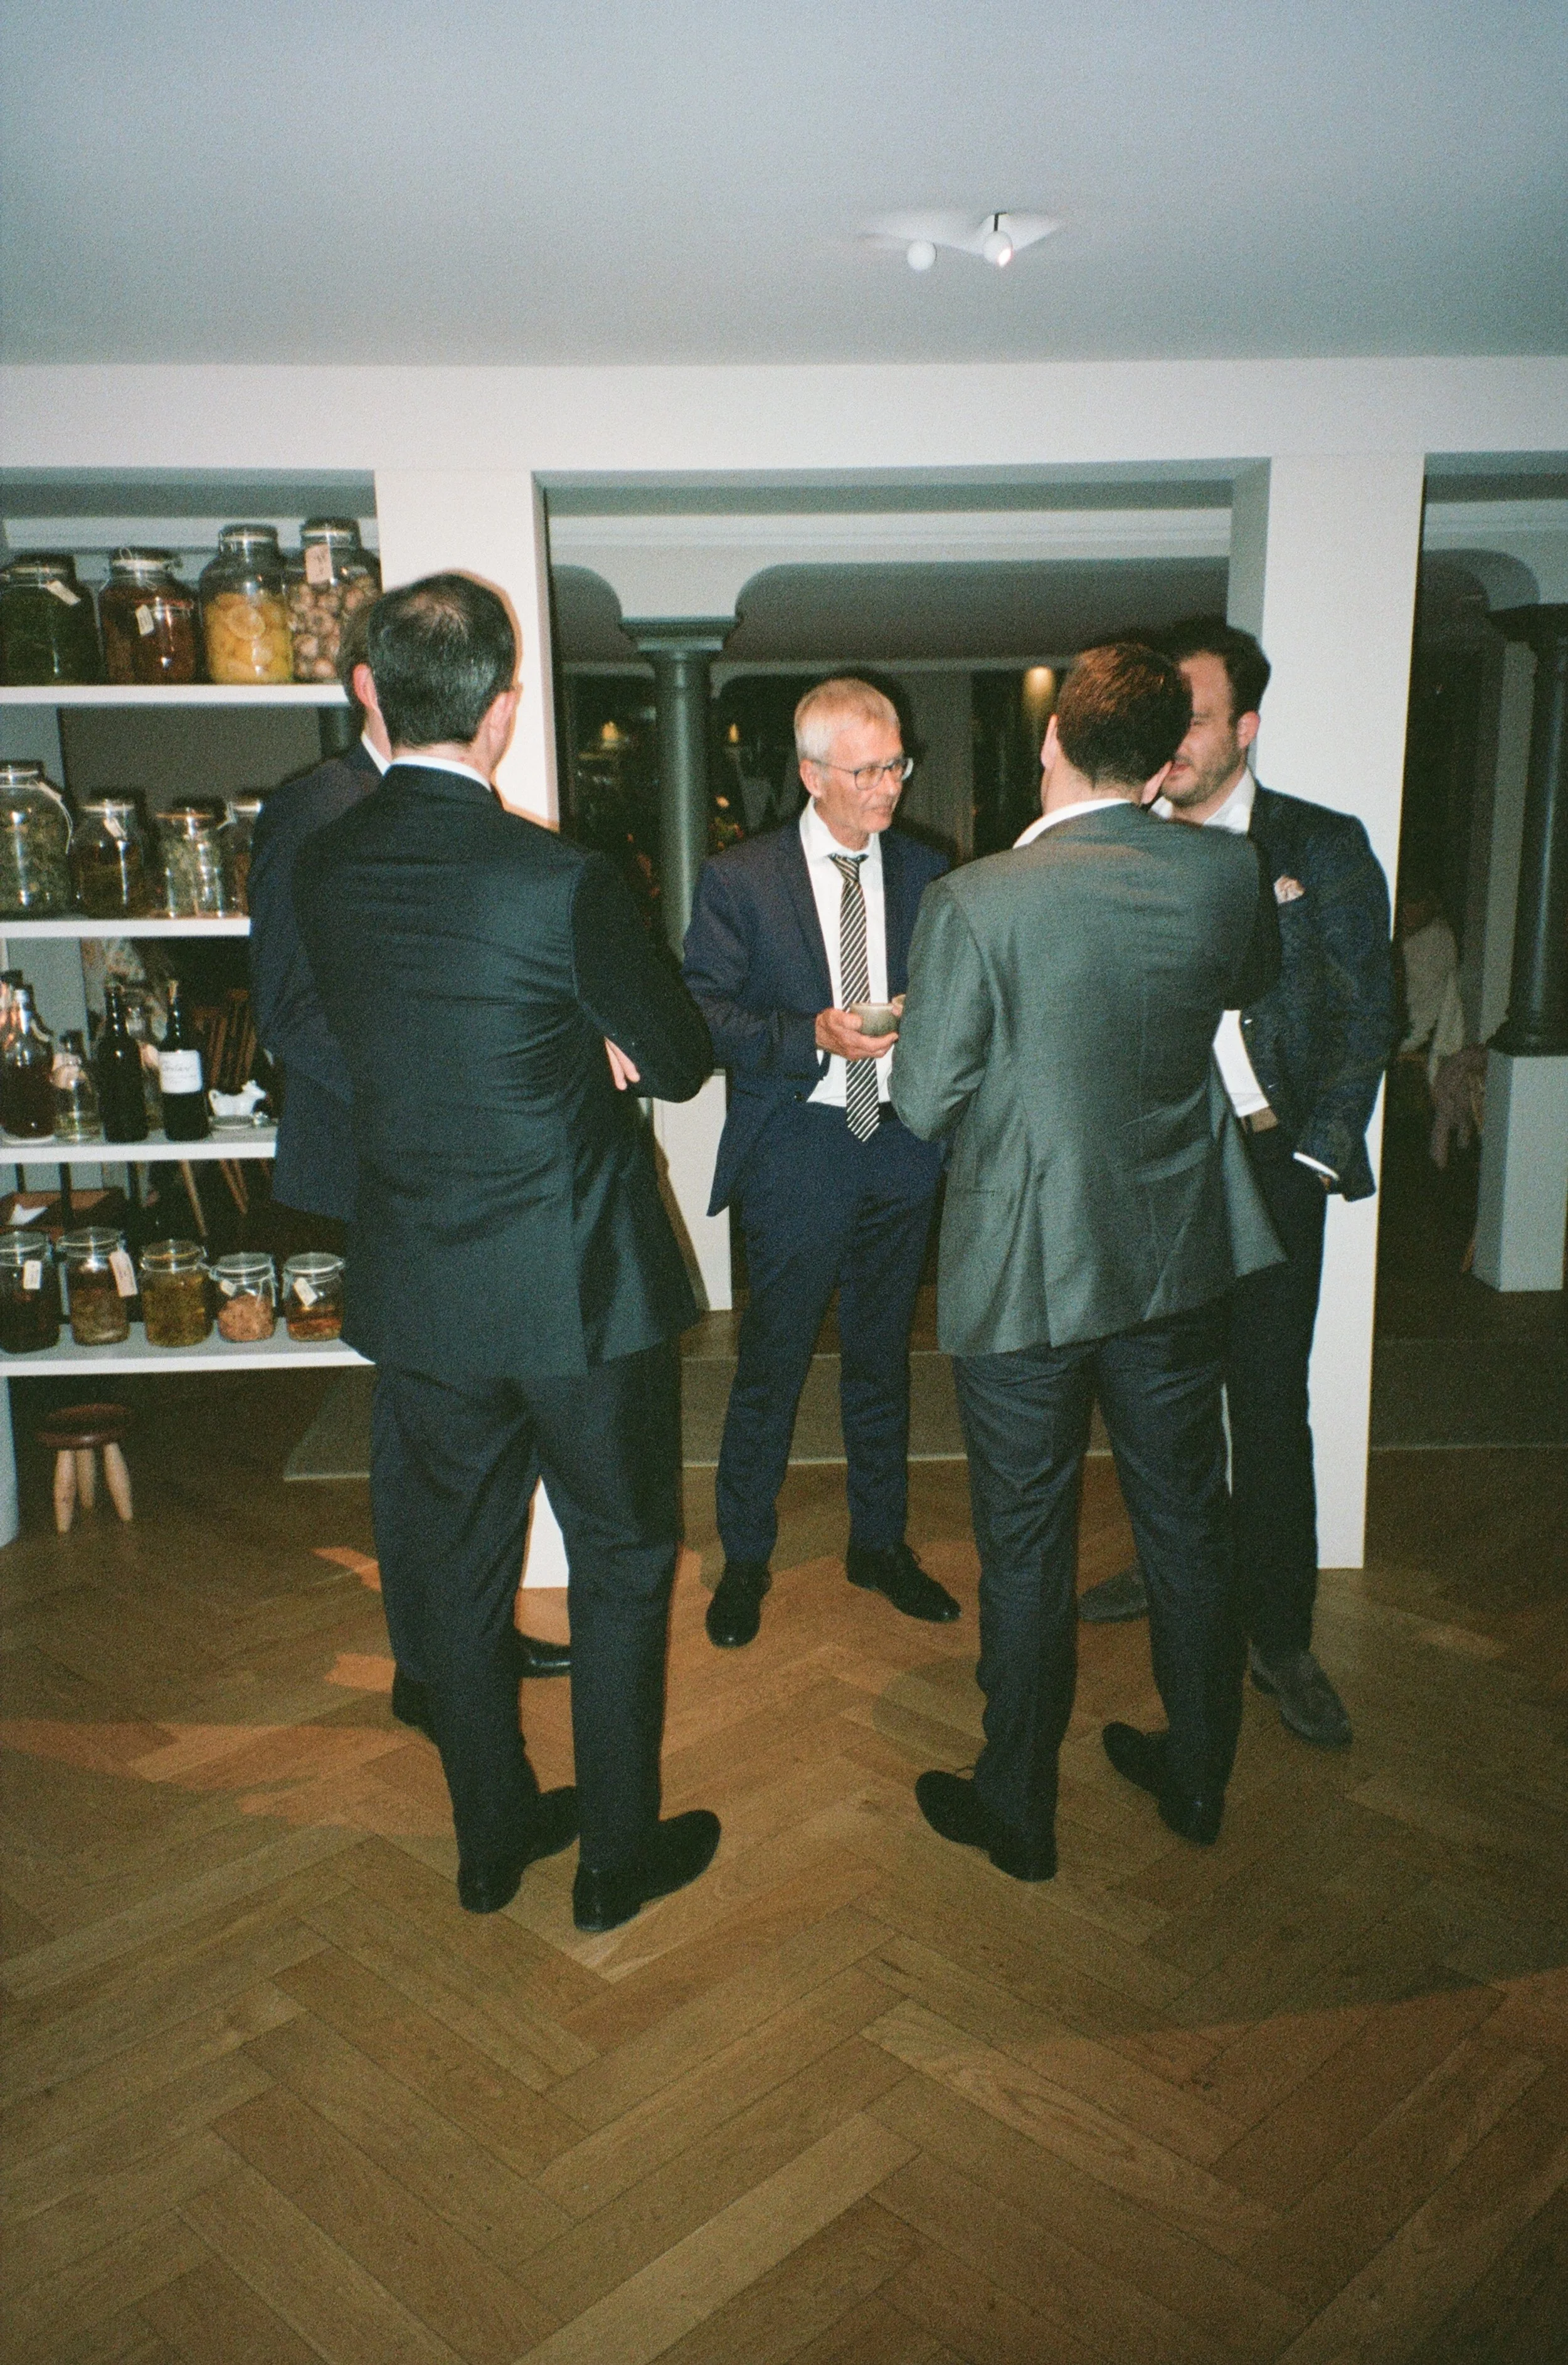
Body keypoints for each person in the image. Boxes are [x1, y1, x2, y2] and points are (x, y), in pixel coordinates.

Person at [295, 573, 719, 1928]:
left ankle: (490, 1844)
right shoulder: (561, 879)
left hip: (423, 1291)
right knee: (619, 1558)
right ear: (500, 708)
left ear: (378, 691)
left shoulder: (325, 865)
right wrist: (595, 1057)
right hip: (579, 1288)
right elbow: (681, 1058)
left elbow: (383, 1043)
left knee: (455, 1573)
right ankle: (611, 1858)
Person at [892, 643, 1282, 1875]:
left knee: (1023, 1544)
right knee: (1183, 1521)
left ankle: (1016, 1805)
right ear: (1168, 760)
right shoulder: (1227, 873)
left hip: (1025, 1266)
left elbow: (920, 1105)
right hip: (1171, 1254)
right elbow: (1239, 984)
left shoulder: (975, 898)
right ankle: (1197, 1776)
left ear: (1051, 740)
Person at [1077, 619, 1396, 1754]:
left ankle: (1281, 1634)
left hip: (1271, 1166)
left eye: (1196, 717)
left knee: (1265, 1401)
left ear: (1245, 727)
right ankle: (1171, 1578)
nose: (1174, 740)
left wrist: (1315, 1156)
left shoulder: (1322, 843)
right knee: (1159, 1404)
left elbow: (1373, 1013)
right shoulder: (1125, 843)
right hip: (1157, 1168)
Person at [248, 611, 572, 1703]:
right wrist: (432, 1089)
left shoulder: (469, 818)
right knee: (417, 1443)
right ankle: (431, 1670)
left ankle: (473, 1639)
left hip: (478, 1171)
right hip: (383, 1163)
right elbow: (290, 1011)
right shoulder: (315, 810)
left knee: (481, 1425)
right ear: (368, 688)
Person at [682, 677, 958, 1648]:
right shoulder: (741, 878)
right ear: (811, 773)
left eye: (897, 764)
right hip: (796, 1148)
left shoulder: (931, 870)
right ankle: (745, 1555)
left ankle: (878, 1543)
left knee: (883, 1358)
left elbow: (960, 999)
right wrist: (812, 1036)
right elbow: (702, 1014)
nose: (889, 786)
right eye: (868, 769)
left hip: (898, 1146)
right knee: (774, 1360)